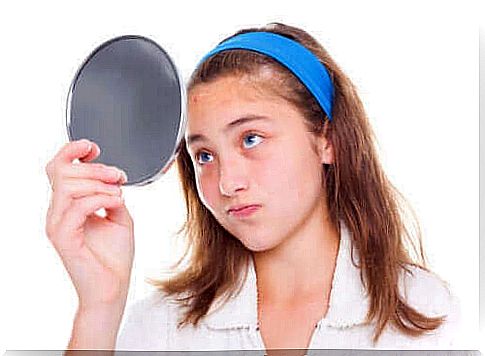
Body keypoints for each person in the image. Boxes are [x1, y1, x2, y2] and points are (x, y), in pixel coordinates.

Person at [45, 23, 460, 353]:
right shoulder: (161, 330)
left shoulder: (426, 315)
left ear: (327, 140)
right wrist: (100, 305)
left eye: (250, 139)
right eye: (204, 155)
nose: (228, 182)